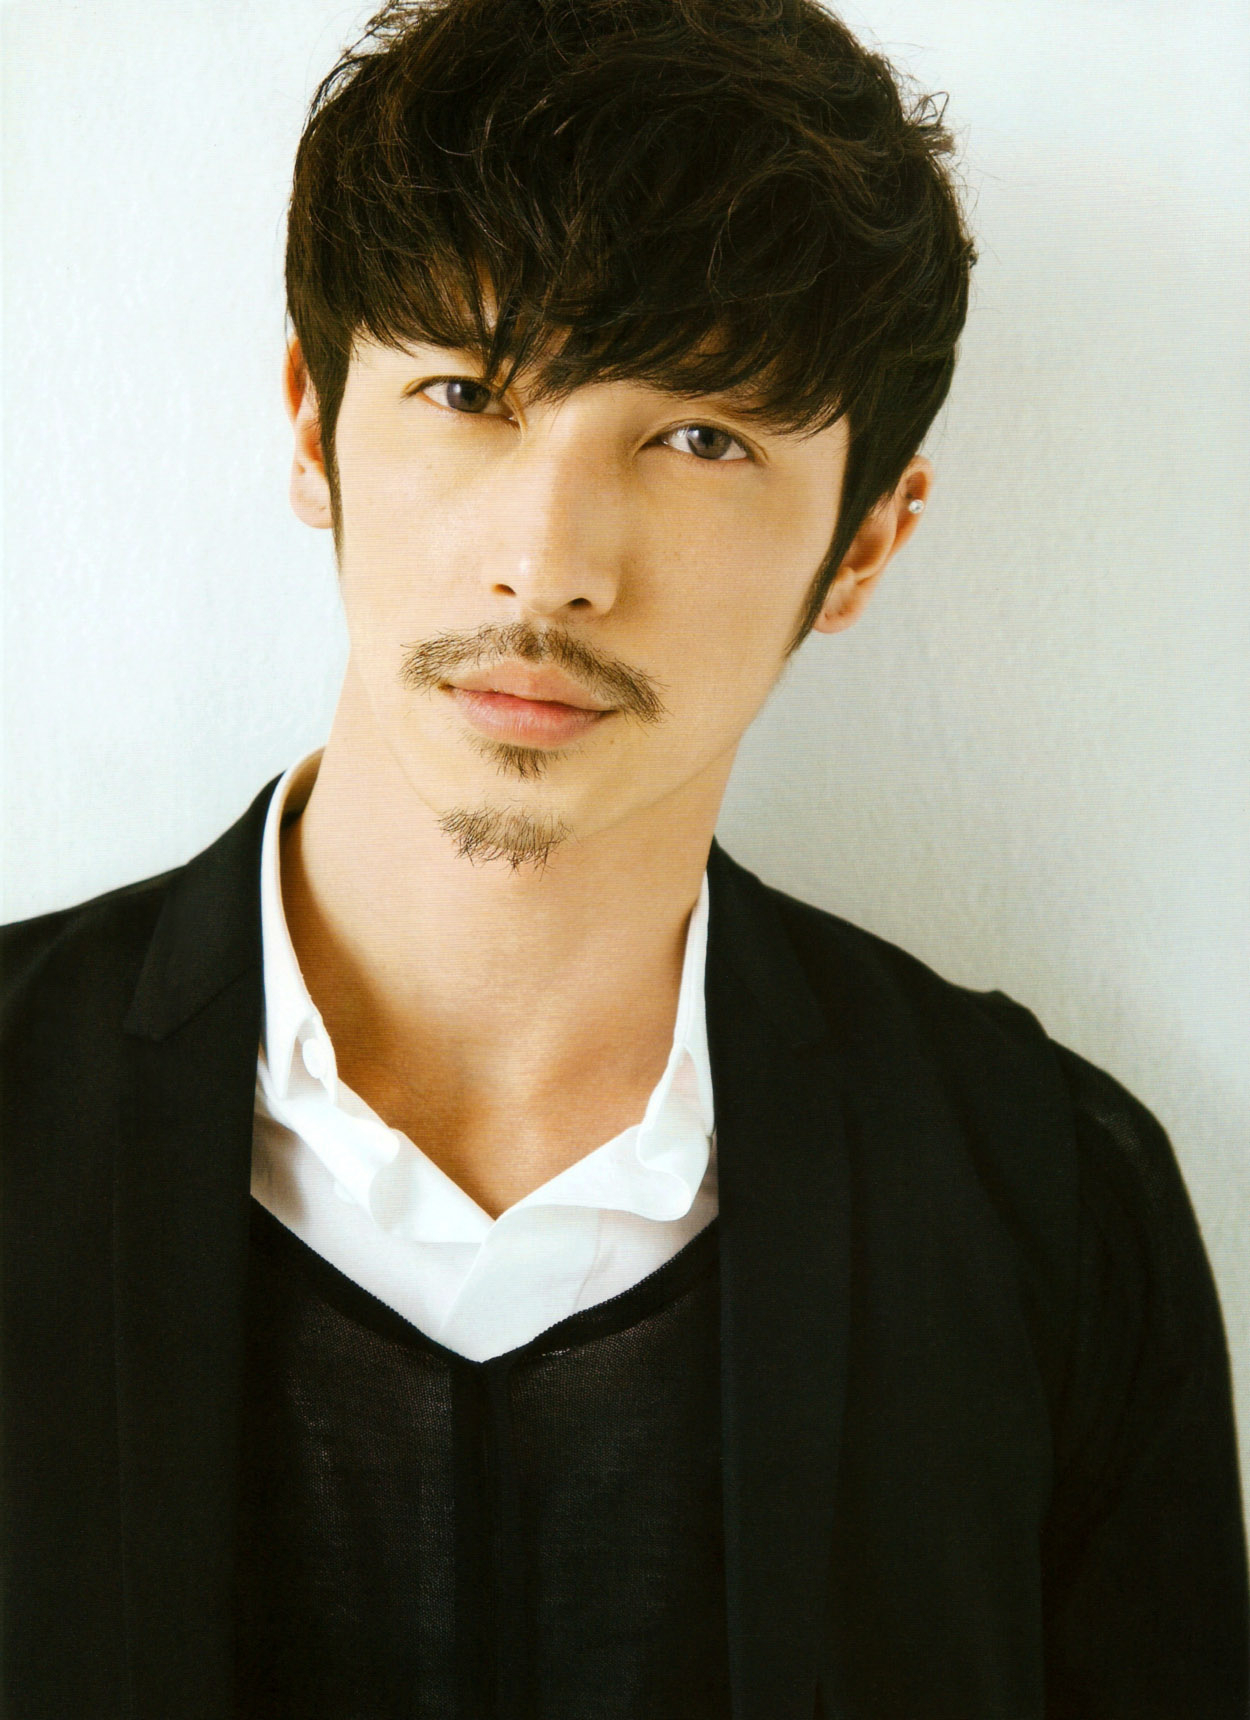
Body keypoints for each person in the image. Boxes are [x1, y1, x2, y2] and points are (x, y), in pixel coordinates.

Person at [3, 0, 1246, 1714]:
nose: (547, 562)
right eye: (466, 393)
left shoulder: (1048, 1204)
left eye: (701, 438)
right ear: (310, 423)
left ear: (864, 543)